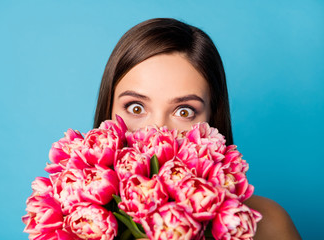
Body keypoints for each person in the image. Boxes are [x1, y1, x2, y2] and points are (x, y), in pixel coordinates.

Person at [94, 18, 301, 239]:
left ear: (212, 121)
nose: (157, 132)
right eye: (136, 108)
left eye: (184, 112)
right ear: (108, 110)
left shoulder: (267, 224)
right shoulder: (72, 224)